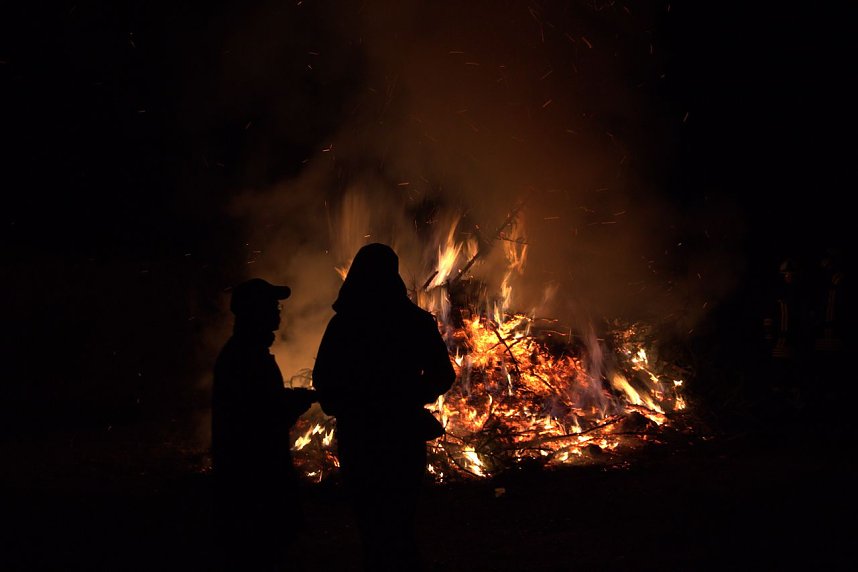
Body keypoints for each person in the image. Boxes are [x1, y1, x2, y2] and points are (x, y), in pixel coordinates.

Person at [312, 243, 456, 572]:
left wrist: (347, 403)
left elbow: (324, 379)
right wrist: (410, 396)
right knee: (400, 514)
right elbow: (442, 375)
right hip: (401, 434)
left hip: (359, 435)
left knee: (370, 520)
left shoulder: (343, 325)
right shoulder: (415, 322)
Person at [211, 278, 317, 571]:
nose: (278, 311)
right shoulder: (245, 356)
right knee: (260, 550)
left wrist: (293, 398)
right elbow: (259, 416)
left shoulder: (248, 351)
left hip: (253, 471)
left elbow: (261, 400)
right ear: (254, 311)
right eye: (272, 305)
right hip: (252, 475)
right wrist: (294, 404)